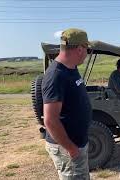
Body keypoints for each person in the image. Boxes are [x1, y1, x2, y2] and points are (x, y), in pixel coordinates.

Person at [42, 28, 92, 180]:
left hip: (76, 144)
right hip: (68, 148)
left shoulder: (71, 68)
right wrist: (72, 149)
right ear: (79, 49)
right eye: (87, 49)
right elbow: (50, 120)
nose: (86, 53)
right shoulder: (56, 76)